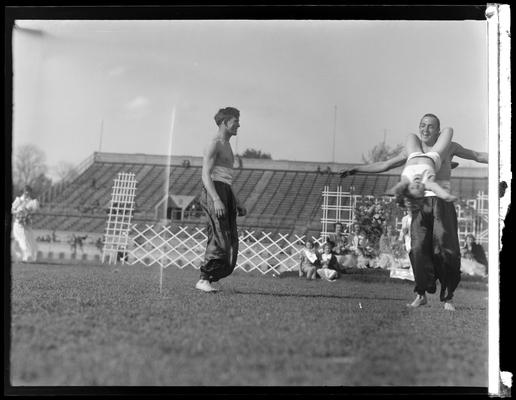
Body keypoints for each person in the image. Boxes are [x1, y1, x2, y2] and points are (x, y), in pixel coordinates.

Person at [341, 113, 488, 310]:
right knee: (418, 248)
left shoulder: (450, 147)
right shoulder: (412, 152)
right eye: (422, 125)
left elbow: (477, 156)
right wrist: (356, 169)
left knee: (446, 249)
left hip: (441, 202)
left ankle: (448, 298)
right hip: (419, 204)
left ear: (438, 130)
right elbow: (385, 165)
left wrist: (502, 157)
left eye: (430, 126)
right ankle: (421, 294)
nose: (425, 130)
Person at [196, 107, 247, 292]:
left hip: (225, 190)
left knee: (230, 240)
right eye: (235, 121)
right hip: (213, 191)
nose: (239, 124)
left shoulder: (227, 145)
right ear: (225, 122)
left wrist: (236, 200)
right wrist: (216, 199)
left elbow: (226, 177)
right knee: (219, 236)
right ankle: (204, 279)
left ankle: (210, 276)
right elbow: (205, 175)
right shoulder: (214, 143)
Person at [389, 128, 458, 205]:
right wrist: (446, 196)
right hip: (433, 157)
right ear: (424, 191)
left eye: (412, 187)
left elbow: (397, 188)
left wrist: (393, 192)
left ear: (407, 188)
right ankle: (444, 157)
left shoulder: (405, 181)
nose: (416, 185)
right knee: (449, 130)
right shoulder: (427, 183)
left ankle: (444, 157)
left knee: (411, 136)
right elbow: (437, 189)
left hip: (414, 154)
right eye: (419, 188)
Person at [11, 185, 40, 262]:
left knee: (29, 240)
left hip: (27, 224)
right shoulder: (18, 200)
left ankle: (28, 257)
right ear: (23, 192)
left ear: (30, 192)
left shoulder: (32, 201)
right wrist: (19, 212)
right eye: (25, 191)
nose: (27, 193)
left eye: (28, 191)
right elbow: (12, 210)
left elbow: (34, 212)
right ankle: (24, 257)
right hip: (18, 224)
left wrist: (28, 215)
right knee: (22, 240)